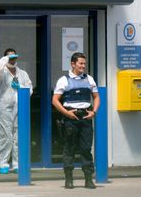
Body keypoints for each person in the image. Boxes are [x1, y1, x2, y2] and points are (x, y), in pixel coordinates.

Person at [52, 52, 100, 189]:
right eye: (80, 63)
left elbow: (96, 97)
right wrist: (67, 113)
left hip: (85, 118)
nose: (83, 66)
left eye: (84, 63)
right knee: (70, 149)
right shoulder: (64, 80)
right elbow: (55, 100)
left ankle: (89, 180)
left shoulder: (89, 79)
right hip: (70, 119)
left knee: (86, 149)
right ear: (73, 64)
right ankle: (69, 180)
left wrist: (94, 112)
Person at [0, 48, 33, 174]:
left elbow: (29, 89)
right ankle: (2, 163)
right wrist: (5, 59)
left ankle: (17, 163)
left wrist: (20, 87)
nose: (13, 59)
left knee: (18, 136)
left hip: (19, 107)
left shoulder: (23, 74)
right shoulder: (2, 72)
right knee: (6, 136)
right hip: (5, 107)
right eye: (10, 57)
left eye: (14, 56)